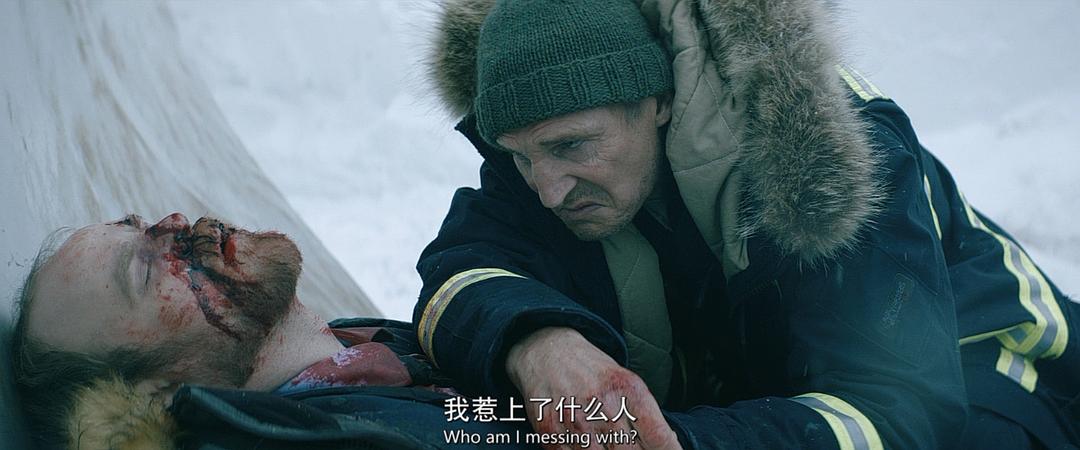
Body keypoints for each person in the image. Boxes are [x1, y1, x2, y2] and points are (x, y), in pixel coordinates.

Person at [415, 0, 1080, 448]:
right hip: (786, 393)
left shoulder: (825, 149)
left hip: (997, 382)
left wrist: (678, 439)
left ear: (659, 101)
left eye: (571, 147)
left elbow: (901, 412)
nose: (548, 190)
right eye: (520, 157)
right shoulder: (542, 145)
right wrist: (536, 340)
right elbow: (464, 262)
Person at [11, 213, 532, 450]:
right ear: (159, 392)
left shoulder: (358, 354)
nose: (175, 223)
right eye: (143, 271)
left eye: (141, 223)